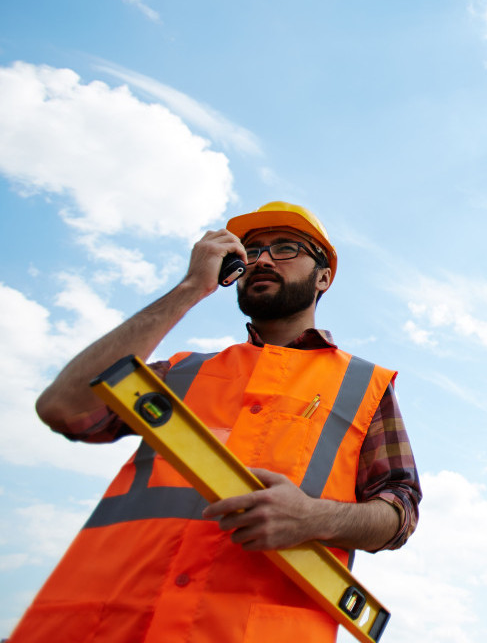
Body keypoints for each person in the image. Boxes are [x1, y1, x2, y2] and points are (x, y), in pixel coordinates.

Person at [10, 202, 421, 642]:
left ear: (323, 278)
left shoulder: (363, 386)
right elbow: (65, 408)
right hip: (113, 626)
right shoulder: (181, 372)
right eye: (251, 252)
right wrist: (190, 288)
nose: (262, 260)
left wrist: (312, 517)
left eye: (286, 248)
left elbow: (399, 512)